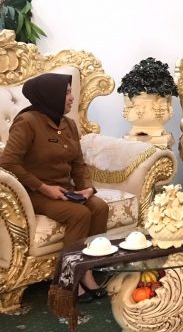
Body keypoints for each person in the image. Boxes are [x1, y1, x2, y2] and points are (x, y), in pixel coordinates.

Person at [0, 73, 109, 302]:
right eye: (66, 92)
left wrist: (87, 188)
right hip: (33, 192)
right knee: (78, 214)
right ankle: (67, 281)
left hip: (64, 189)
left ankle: (86, 271)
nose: (71, 97)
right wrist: (43, 187)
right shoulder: (28, 122)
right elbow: (8, 162)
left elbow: (78, 163)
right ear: (50, 95)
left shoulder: (68, 123)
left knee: (99, 207)